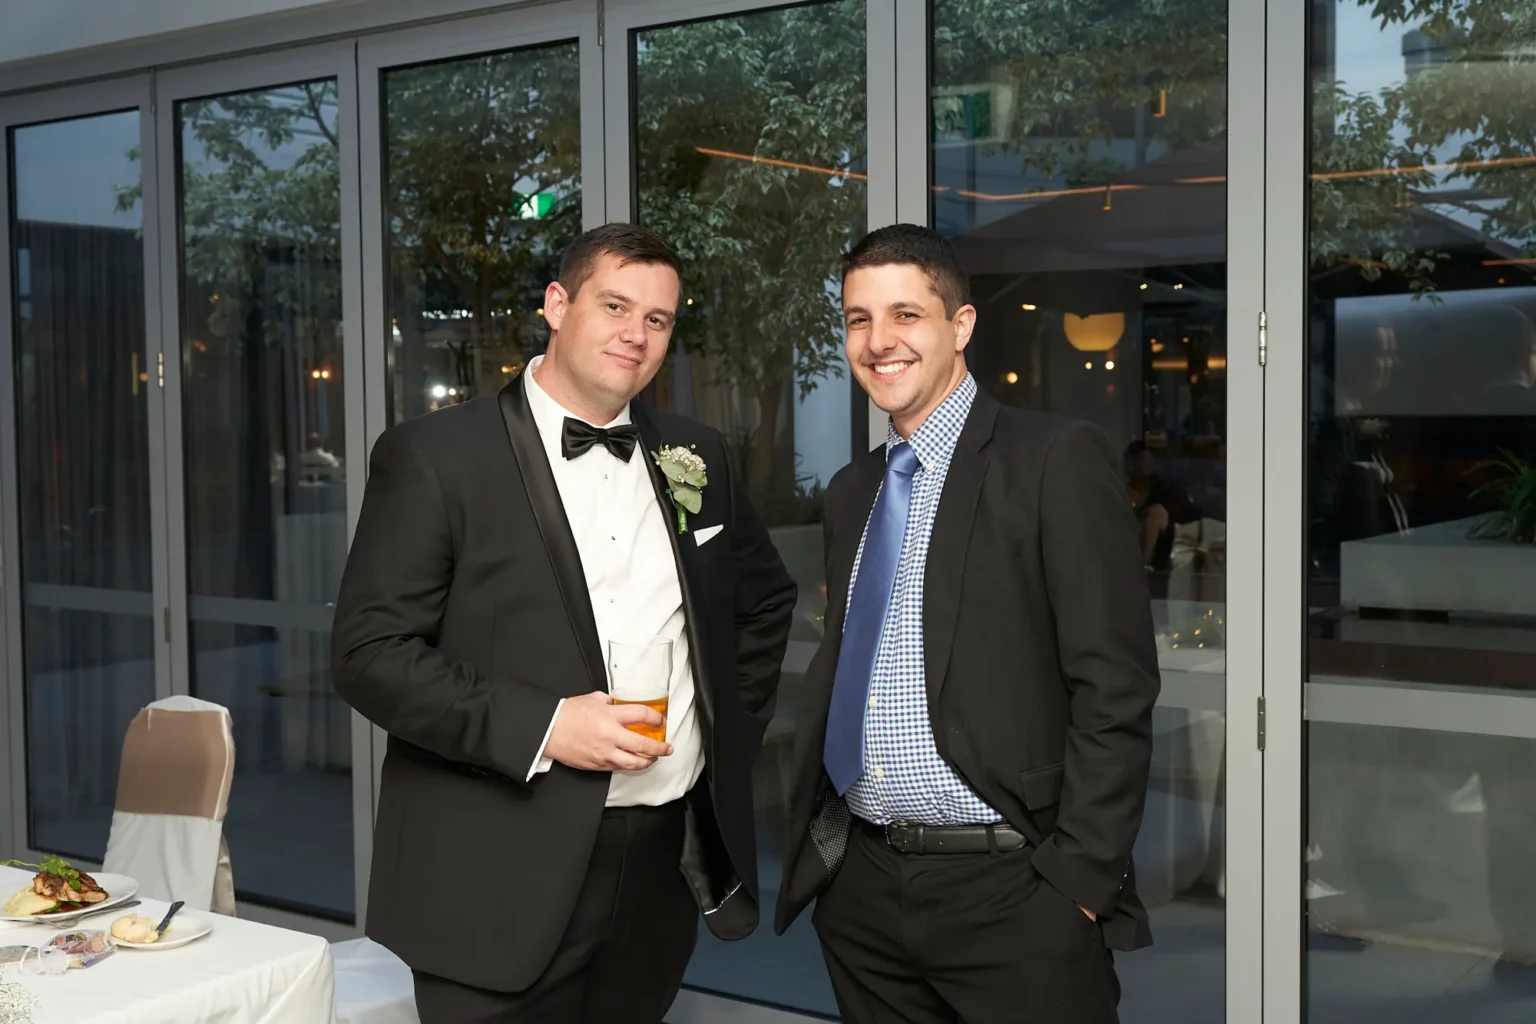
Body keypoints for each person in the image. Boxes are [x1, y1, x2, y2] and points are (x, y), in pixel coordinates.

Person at [333, 223, 796, 1023]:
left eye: (658, 319)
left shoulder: (698, 455)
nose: (636, 334)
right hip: (492, 871)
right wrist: (547, 726)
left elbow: (762, 602)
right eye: (615, 305)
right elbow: (370, 655)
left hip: (657, 867)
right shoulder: (435, 456)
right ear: (557, 304)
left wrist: (721, 734)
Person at [775, 224, 1161, 1024]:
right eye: (857, 319)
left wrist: (1078, 887)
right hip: (865, 892)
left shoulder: (1053, 459)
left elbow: (1114, 687)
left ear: (960, 327)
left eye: (905, 316)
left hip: (1015, 894)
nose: (878, 342)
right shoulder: (854, 491)